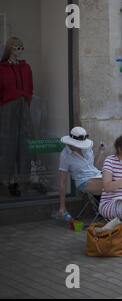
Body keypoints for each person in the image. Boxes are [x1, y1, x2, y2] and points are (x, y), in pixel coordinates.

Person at [0, 37, 34, 197]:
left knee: (24, 143)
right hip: (7, 107)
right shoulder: (2, 68)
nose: (19, 52)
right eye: (15, 48)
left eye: (21, 48)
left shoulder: (25, 67)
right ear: (9, 49)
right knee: (8, 144)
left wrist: (26, 100)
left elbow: (30, 87)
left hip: (23, 106)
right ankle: (9, 180)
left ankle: (22, 180)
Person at [58, 127, 105, 218]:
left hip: (98, 175)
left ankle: (109, 212)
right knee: (111, 185)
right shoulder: (65, 155)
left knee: (118, 179)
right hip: (83, 181)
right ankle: (108, 212)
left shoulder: (87, 148)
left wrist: (101, 151)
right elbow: (62, 183)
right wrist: (62, 207)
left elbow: (92, 166)